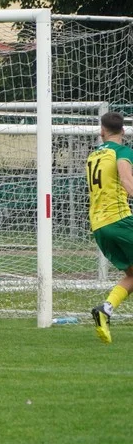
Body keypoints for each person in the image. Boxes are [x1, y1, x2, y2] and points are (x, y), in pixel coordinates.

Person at [86, 111, 133, 344]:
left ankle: (105, 309)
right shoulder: (122, 152)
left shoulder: (93, 156)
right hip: (119, 219)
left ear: (102, 131)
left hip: (98, 226)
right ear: (123, 131)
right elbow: (126, 180)